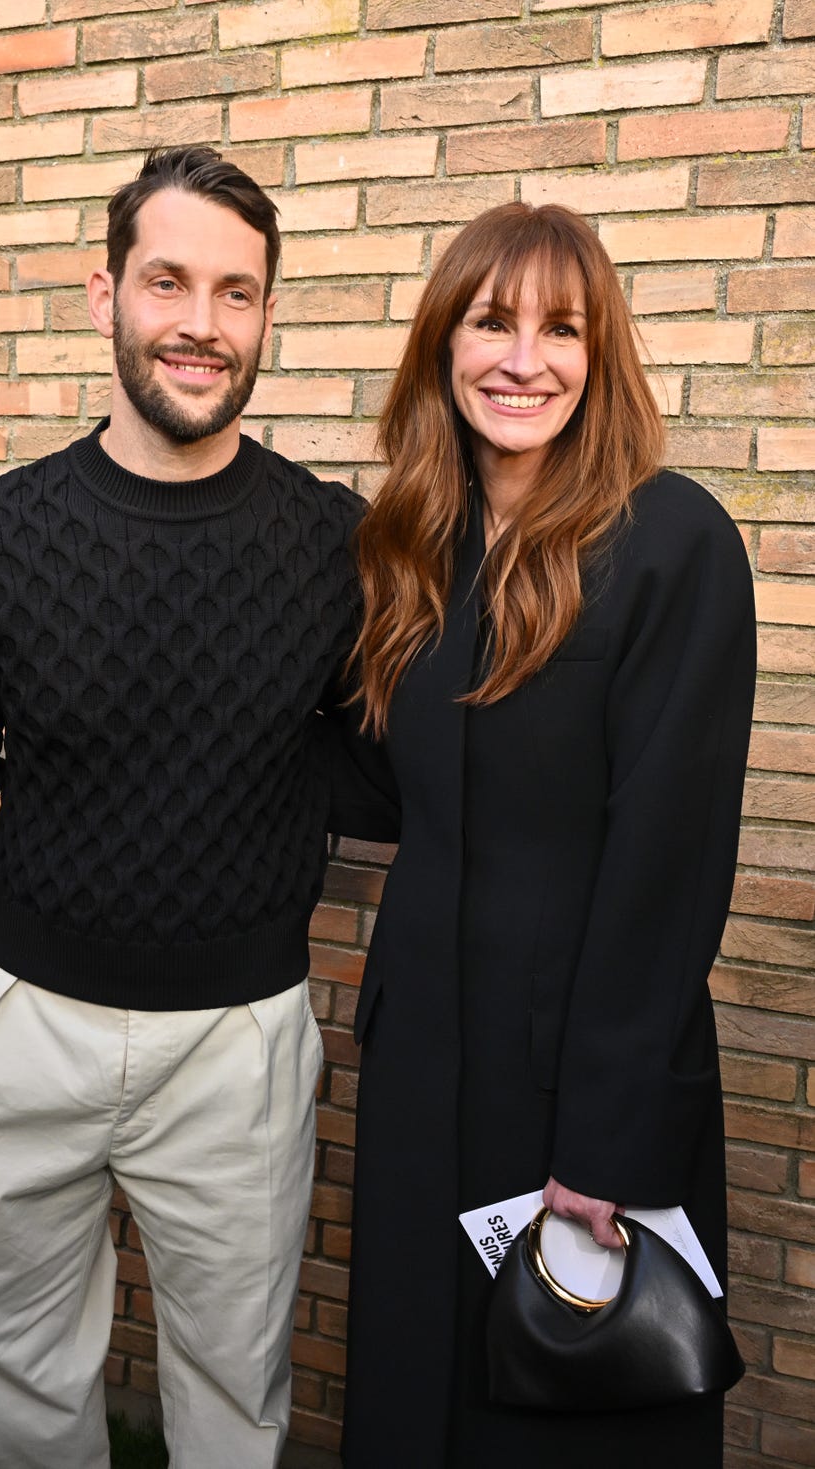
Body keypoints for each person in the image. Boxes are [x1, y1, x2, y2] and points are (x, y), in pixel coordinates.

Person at [0, 145, 368, 1469]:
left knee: (232, 1406)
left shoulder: (336, 544)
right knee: (24, 1402)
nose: (201, 324)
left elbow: (391, 760)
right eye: (169, 281)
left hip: (240, 1052)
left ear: (267, 317)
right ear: (106, 295)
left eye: (237, 293)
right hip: (19, 1032)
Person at [340, 202, 755, 1466]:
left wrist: (607, 1141)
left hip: (580, 1069)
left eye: (559, 329)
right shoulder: (414, 544)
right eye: (490, 322)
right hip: (425, 1049)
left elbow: (668, 856)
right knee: (423, 1384)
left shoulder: (670, 538)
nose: (522, 359)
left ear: (599, 351)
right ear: (441, 345)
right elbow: (381, 783)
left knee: (566, 1409)